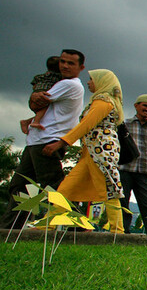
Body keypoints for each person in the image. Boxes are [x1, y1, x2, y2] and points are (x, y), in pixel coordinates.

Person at [0, 50, 86, 229]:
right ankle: (10, 228)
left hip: (47, 140)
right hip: (37, 140)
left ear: (81, 67)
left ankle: (78, 227)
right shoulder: (62, 83)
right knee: (21, 187)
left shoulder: (69, 84)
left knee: (54, 187)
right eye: (62, 62)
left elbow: (38, 102)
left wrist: (34, 96)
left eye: (70, 63)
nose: (65, 66)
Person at [42, 69, 126, 233]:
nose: (88, 82)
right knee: (66, 189)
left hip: (100, 153)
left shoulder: (103, 102)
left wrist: (61, 143)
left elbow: (85, 125)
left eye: (91, 79)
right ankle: (47, 225)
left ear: (102, 82)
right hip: (91, 153)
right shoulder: (103, 102)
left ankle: (118, 231)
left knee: (108, 191)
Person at [118, 94, 147, 235]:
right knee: (122, 202)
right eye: (145, 106)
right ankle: (122, 232)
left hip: (144, 171)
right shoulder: (124, 124)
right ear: (136, 106)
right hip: (125, 168)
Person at [20, 56, 62, 134]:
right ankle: (36, 121)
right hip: (43, 95)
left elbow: (34, 86)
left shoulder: (39, 76)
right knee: (47, 108)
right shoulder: (58, 77)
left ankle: (27, 122)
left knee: (45, 114)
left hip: (34, 95)